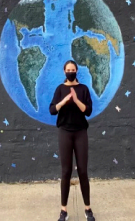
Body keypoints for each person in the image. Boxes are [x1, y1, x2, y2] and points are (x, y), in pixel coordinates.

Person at [49, 60, 95, 221]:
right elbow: (52, 110)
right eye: (68, 70)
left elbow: (88, 111)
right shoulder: (60, 89)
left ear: (77, 71)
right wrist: (64, 100)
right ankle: (63, 210)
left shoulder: (83, 89)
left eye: (73, 69)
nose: (70, 72)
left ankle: (88, 209)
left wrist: (76, 100)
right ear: (64, 72)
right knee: (66, 171)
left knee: (82, 170)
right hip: (65, 132)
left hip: (80, 132)